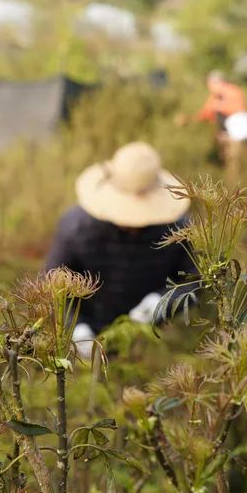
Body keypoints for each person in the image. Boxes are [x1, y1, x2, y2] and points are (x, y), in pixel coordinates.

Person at [44, 142, 198, 357]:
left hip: (149, 337)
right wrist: (75, 328)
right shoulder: (76, 228)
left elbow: (192, 281)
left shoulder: (178, 228)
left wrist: (161, 302)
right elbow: (52, 284)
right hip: (90, 328)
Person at [196, 71, 247, 174]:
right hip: (235, 128)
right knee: (231, 157)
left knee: (234, 160)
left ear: (217, 82)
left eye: (210, 85)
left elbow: (207, 111)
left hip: (238, 128)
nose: (210, 88)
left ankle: (234, 183)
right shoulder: (228, 93)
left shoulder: (227, 93)